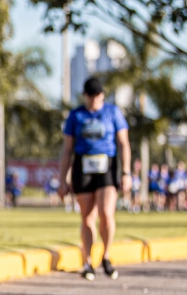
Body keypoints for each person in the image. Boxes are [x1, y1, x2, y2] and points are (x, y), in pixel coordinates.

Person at [57, 77, 132, 280]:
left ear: (102, 95)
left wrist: (126, 172)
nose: (93, 100)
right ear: (85, 96)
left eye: (97, 95)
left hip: (107, 166)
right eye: (90, 96)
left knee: (106, 213)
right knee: (87, 217)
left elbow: (123, 143)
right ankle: (88, 261)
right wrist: (62, 180)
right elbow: (67, 150)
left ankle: (106, 256)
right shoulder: (76, 115)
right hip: (83, 167)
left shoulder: (112, 112)